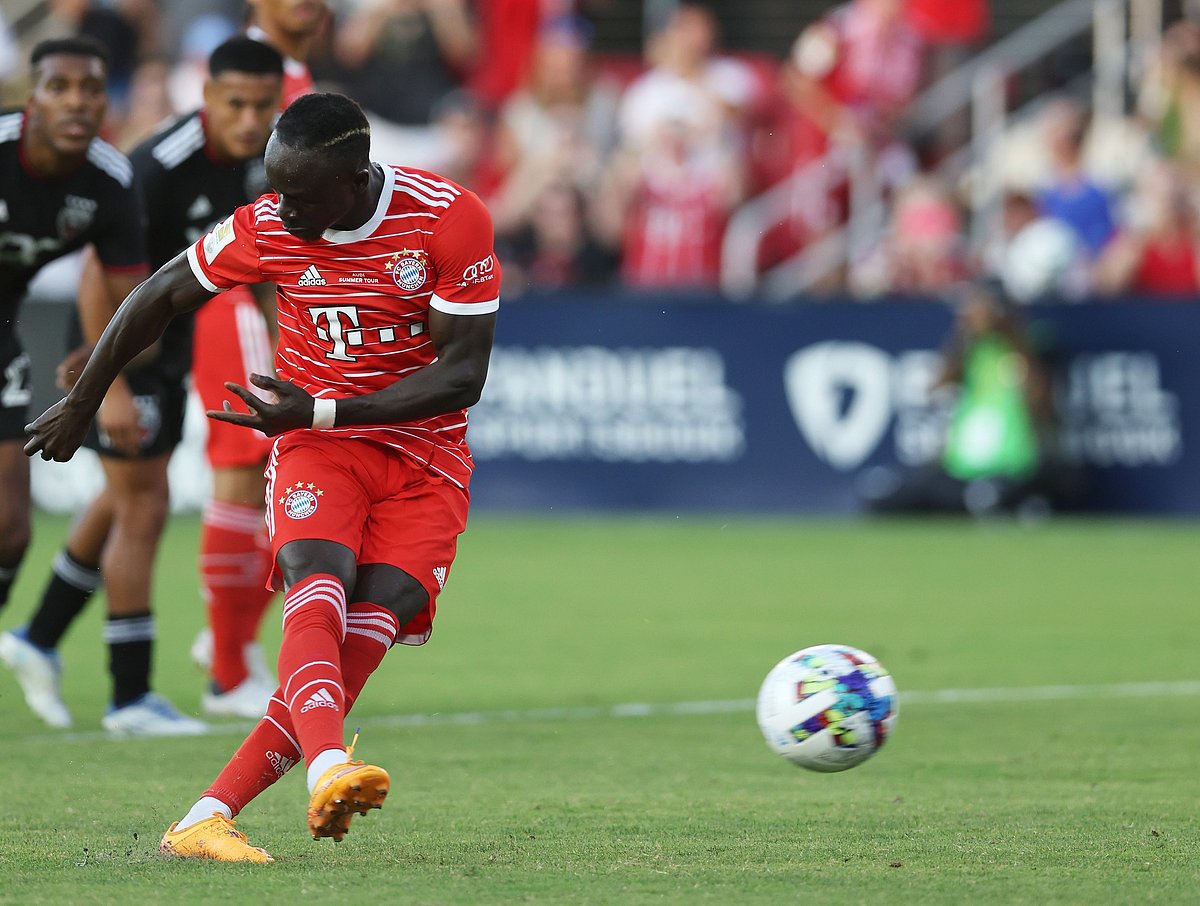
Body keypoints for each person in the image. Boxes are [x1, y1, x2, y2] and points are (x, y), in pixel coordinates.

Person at [25, 92, 500, 862]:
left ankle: (203, 819)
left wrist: (325, 407)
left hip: (423, 461)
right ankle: (328, 765)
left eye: (302, 194)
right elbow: (157, 295)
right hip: (318, 448)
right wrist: (84, 398)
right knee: (317, 582)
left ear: (355, 177)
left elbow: (462, 375)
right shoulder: (271, 224)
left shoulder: (449, 219)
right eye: (276, 188)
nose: (284, 207)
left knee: (361, 641)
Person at [1, 36, 286, 733]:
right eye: (236, 104)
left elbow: (266, 264)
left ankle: (36, 637)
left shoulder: (265, 164)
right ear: (206, 98)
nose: (249, 121)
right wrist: (113, 384)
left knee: (120, 493)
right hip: (116, 345)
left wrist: (286, 354)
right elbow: (105, 278)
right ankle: (129, 696)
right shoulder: (156, 167)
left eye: (263, 106)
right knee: (146, 503)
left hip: (159, 341)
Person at [0, 36, 147, 719]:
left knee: (9, 526)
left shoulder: (109, 182)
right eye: (61, 87)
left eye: (92, 88)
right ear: (33, 99)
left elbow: (129, 302)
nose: (79, 102)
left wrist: (101, 363)